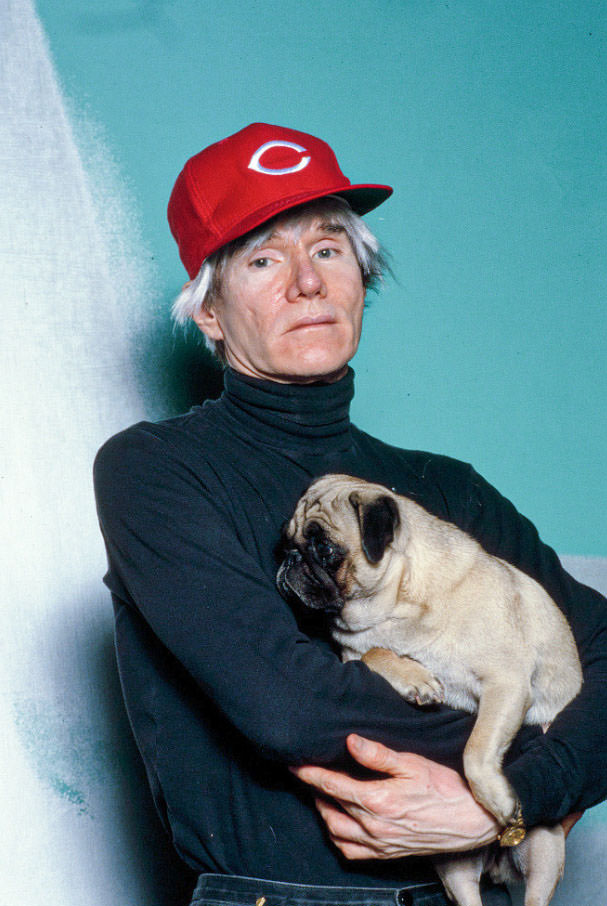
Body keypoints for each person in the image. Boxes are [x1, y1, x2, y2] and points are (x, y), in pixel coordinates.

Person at [93, 123, 607, 906]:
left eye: (328, 249)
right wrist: (522, 766)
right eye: (264, 258)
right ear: (208, 311)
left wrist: (507, 801)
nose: (307, 282)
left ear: (361, 278)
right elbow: (291, 706)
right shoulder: (156, 471)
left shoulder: (447, 490)